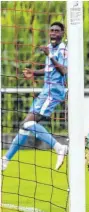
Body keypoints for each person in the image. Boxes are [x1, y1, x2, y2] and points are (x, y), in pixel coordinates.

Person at [2, 22, 68, 171]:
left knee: (27, 124)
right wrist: (34, 73)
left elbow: (63, 70)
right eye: (51, 30)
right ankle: (5, 159)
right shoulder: (50, 48)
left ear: (62, 33)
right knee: (25, 126)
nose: (53, 33)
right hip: (46, 90)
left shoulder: (63, 50)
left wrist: (49, 55)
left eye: (57, 31)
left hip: (53, 92)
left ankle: (58, 147)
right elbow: (49, 69)